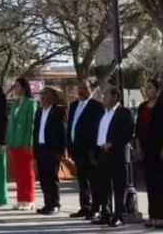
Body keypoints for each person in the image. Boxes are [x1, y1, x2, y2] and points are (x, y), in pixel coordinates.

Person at [91, 86, 135, 227]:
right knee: (104, 185)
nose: (103, 98)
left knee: (118, 185)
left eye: (106, 95)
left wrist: (112, 143)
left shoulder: (124, 113)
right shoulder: (103, 113)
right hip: (103, 153)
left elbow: (127, 132)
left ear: (116, 96)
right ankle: (106, 212)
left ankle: (119, 215)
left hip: (116, 153)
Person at [135, 78, 163, 229]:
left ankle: (161, 216)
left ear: (158, 90)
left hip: (159, 149)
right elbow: (138, 128)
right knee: (150, 183)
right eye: (147, 88)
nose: (147, 90)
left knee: (160, 183)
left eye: (150, 88)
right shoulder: (142, 107)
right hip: (146, 149)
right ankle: (152, 215)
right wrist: (138, 146)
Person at [67, 79, 105, 219]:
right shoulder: (74, 105)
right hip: (77, 149)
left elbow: (96, 129)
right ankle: (85, 206)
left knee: (94, 180)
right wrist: (69, 145)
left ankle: (96, 207)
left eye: (84, 88)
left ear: (91, 89)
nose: (81, 91)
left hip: (90, 150)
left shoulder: (97, 106)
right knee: (82, 180)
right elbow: (70, 126)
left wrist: (93, 150)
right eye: (79, 88)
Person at [33, 86, 67, 215]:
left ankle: (55, 204)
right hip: (40, 148)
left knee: (52, 178)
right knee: (43, 178)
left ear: (53, 96)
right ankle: (47, 203)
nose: (42, 96)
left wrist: (61, 151)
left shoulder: (58, 111)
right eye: (41, 93)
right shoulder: (39, 111)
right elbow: (36, 131)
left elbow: (62, 132)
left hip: (52, 150)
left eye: (45, 93)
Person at [6, 77, 36, 211]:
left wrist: (29, 142)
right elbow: (11, 123)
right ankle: (20, 199)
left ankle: (29, 199)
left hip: (25, 143)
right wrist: (8, 140)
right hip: (14, 142)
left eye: (17, 86)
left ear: (23, 87)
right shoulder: (15, 103)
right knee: (18, 172)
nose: (15, 89)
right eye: (15, 86)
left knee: (27, 171)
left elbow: (32, 124)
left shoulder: (31, 103)